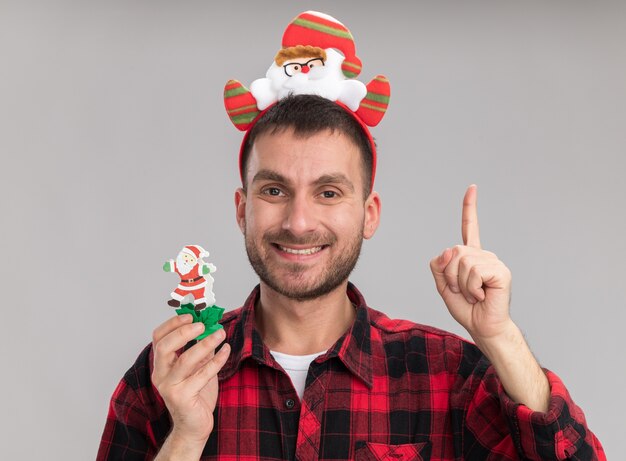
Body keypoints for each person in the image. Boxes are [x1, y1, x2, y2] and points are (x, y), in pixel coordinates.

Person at [97, 95, 605, 460]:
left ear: (369, 214)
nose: (298, 222)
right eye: (274, 191)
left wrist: (501, 338)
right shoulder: (169, 375)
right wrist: (186, 436)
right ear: (241, 209)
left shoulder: (447, 374)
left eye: (329, 193)